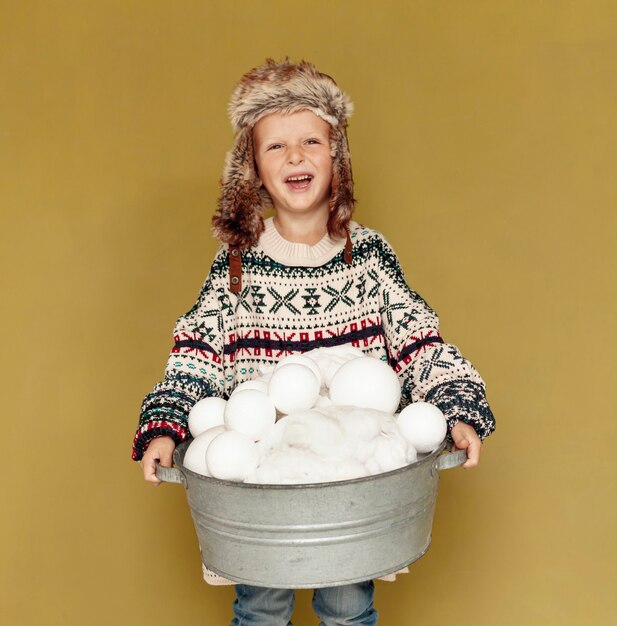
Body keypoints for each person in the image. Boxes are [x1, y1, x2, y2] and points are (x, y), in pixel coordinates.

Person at [132, 59, 495, 626]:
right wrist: (164, 427)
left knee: (348, 605)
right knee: (260, 604)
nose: (295, 156)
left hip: (348, 469)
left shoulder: (369, 257)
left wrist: (457, 408)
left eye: (310, 141)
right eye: (275, 147)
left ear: (337, 157)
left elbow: (418, 340)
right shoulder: (236, 269)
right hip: (261, 477)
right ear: (251, 168)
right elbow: (194, 358)